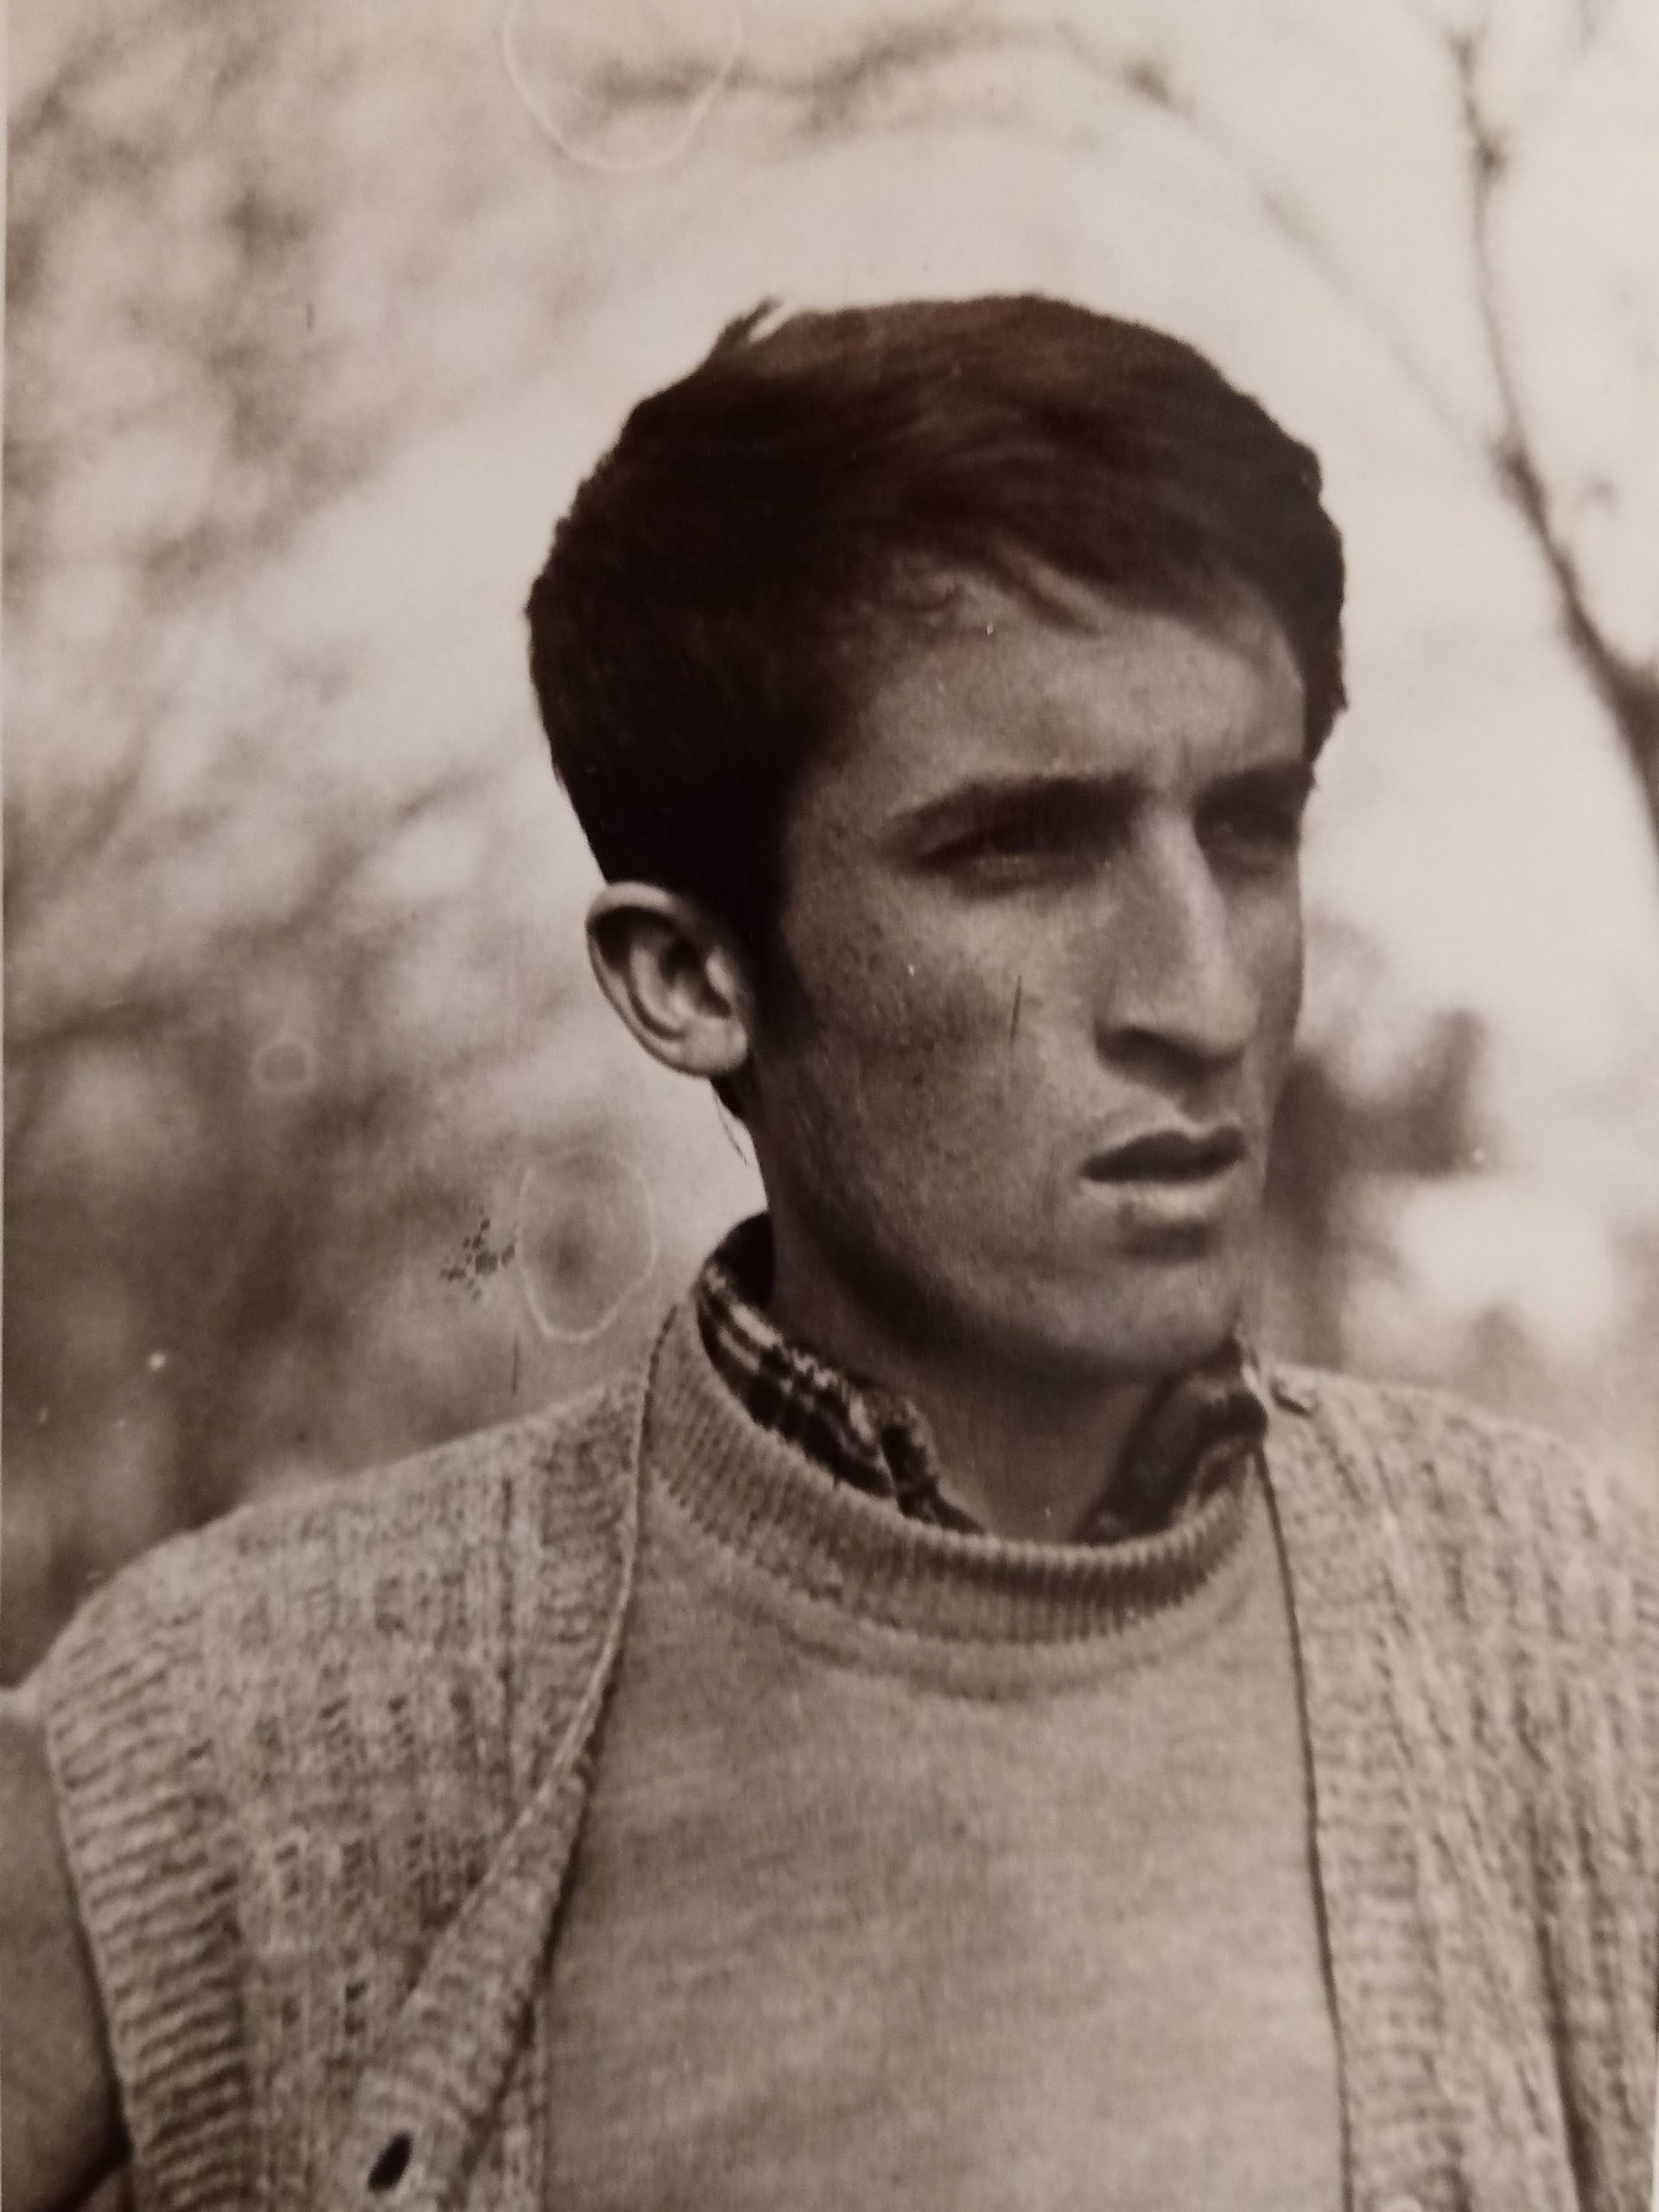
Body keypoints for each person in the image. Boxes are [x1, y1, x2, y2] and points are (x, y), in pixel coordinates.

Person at [3, 296, 1656, 2212]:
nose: (1204, 996)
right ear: (690, 976)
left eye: (1249, 826)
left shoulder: (1572, 1632)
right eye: (1018, 851)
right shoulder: (249, 1729)